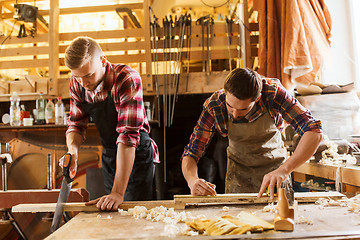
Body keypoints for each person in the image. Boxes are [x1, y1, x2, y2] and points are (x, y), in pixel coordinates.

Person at [181, 68, 322, 199]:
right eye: (230, 107)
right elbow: (191, 153)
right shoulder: (215, 105)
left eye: (243, 109)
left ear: (258, 98)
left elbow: (313, 130)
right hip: (238, 177)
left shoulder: (273, 94)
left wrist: (285, 170)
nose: (235, 114)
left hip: (276, 174)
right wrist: (192, 181)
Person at [60, 36, 159, 211]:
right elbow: (76, 124)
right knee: (111, 211)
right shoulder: (78, 82)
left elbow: (128, 137)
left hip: (136, 153)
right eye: (77, 77)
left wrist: (117, 193)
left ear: (103, 61)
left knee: (133, 213)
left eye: (88, 75)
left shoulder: (126, 78)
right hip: (111, 154)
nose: (83, 83)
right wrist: (72, 152)